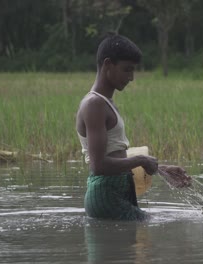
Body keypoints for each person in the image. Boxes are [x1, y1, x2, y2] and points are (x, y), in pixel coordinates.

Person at [76, 33, 191, 221]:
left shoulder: (105, 103)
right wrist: (140, 159)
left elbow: (114, 155)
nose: (131, 77)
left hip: (114, 191)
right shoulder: (94, 105)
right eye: (127, 69)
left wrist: (160, 169)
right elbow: (99, 165)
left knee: (131, 247)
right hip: (106, 196)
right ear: (107, 65)